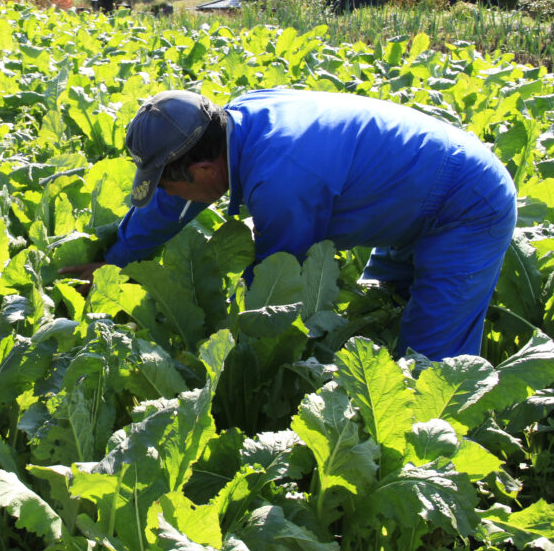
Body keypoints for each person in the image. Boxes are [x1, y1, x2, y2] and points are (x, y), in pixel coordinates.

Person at [63, 88, 516, 361]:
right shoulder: (233, 125)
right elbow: (172, 207)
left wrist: (228, 351)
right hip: (412, 195)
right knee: (379, 312)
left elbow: (277, 285)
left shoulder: (282, 179)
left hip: (465, 204)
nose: (164, 196)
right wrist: (115, 264)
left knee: (429, 360)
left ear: (201, 172)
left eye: (165, 184)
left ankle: (434, 476)